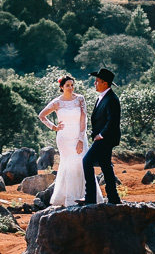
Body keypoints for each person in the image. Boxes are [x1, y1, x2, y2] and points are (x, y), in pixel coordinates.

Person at [37, 75, 97, 207]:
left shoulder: (80, 99)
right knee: (68, 165)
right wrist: (54, 127)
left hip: (79, 135)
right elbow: (41, 115)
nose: (70, 87)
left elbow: (84, 119)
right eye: (67, 85)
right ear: (61, 87)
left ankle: (87, 195)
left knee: (83, 163)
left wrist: (81, 139)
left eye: (72, 85)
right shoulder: (57, 102)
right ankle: (70, 198)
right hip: (64, 137)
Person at [81, 67, 121, 204]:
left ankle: (90, 197)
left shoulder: (111, 99)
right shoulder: (103, 97)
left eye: (97, 81)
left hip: (105, 139)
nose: (94, 83)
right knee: (105, 166)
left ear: (105, 83)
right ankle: (113, 198)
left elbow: (112, 121)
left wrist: (101, 135)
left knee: (86, 161)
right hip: (102, 138)